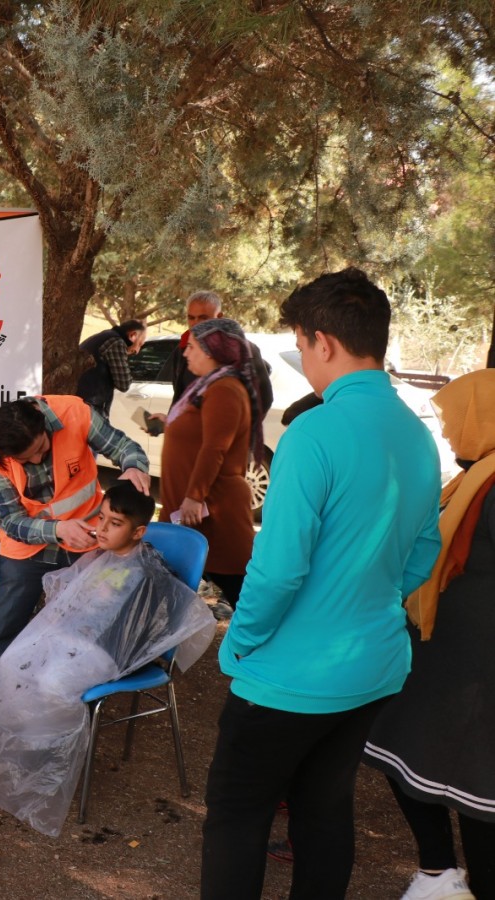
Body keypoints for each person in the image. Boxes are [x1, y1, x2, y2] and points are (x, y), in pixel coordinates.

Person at [200, 267, 443, 899]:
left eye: (302, 346)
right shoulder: (416, 434)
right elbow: (423, 553)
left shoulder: (313, 432)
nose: (303, 360)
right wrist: (367, 596)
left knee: (236, 816)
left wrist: (240, 642)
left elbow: (279, 568)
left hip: (290, 676)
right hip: (373, 665)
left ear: (323, 341)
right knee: (324, 808)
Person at [0, 483, 215, 836]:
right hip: (75, 640)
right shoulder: (101, 555)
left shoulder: (149, 572)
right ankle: (19, 752)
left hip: (106, 653)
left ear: (138, 532)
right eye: (100, 518)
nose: (101, 529)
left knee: (52, 682)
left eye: (114, 523)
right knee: (13, 661)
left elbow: (146, 630)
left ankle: (43, 766)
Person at [0, 394, 149, 769]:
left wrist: (134, 465)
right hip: (27, 550)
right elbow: (13, 521)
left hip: (85, 541)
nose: (36, 461)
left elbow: (124, 446)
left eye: (40, 450)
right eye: (25, 459)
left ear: (43, 424)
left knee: (74, 643)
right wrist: (57, 530)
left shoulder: (74, 413)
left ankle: (54, 741)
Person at [363, 369, 495, 900]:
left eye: (452, 418)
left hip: (478, 667)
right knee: (403, 747)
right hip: (446, 652)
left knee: (479, 786)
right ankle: (439, 871)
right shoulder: (474, 476)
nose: (445, 430)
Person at [152, 318, 264, 608]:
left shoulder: (224, 389)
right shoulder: (210, 384)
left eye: (191, 347)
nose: (185, 353)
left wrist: (194, 496)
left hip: (211, 511)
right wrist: (170, 424)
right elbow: (202, 430)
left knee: (240, 590)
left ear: (211, 350)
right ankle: (157, 648)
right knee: (167, 585)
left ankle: (260, 648)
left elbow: (216, 446)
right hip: (193, 510)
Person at [160, 291, 274, 420]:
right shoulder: (182, 350)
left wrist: (239, 432)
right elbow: (181, 396)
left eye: (203, 318)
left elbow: (264, 397)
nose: (196, 323)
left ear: (219, 317)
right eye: (191, 318)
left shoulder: (244, 350)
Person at [75, 319, 146, 419]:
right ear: (132, 335)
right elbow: (124, 384)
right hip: (89, 406)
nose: (137, 351)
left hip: (79, 401)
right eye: (140, 344)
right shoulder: (116, 343)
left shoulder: (105, 336)